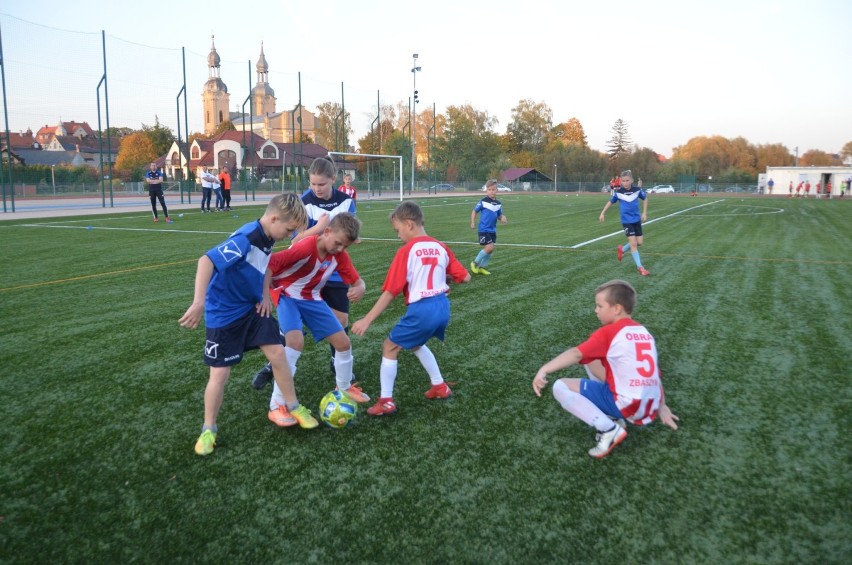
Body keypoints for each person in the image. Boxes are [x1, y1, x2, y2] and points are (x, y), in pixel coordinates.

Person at [178, 193, 317, 456]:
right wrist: (198, 303)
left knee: (278, 352)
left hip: (252, 310)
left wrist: (264, 295)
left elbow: (265, 268)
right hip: (224, 315)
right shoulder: (247, 238)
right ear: (274, 217)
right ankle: (209, 429)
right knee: (220, 375)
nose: (289, 236)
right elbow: (206, 261)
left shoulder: (267, 237)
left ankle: (294, 405)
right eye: (288, 230)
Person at [532, 279, 679, 458]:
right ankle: (614, 418)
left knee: (560, 386)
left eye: (599, 306)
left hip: (627, 405)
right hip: (650, 405)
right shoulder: (644, 332)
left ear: (616, 308)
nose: (596, 310)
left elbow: (576, 353)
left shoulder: (609, 332)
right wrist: (662, 406)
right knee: (591, 359)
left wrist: (544, 369)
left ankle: (609, 429)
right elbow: (654, 375)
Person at [351, 201, 471, 416]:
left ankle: (386, 401)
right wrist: (443, 279)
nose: (398, 236)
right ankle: (440, 386)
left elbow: (389, 292)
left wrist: (366, 320)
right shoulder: (441, 246)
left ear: (408, 224)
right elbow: (466, 277)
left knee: (389, 347)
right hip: (442, 307)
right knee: (415, 343)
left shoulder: (406, 251)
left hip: (422, 309)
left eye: (397, 230)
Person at [252, 157, 357, 388]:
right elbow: (297, 240)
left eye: (321, 184)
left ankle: (336, 360)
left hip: (332, 271)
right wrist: (317, 229)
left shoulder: (347, 202)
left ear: (333, 179)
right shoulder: (304, 202)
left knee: (340, 319)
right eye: (313, 184)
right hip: (302, 272)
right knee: (292, 328)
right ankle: (274, 366)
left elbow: (347, 234)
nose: (317, 189)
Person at [264, 213, 369, 426]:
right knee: (294, 343)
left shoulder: (339, 255)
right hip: (287, 295)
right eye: (338, 243)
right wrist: (264, 296)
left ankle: (344, 387)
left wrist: (360, 288)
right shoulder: (304, 248)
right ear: (327, 231)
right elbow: (269, 265)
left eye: (345, 247)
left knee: (343, 343)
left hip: (311, 298)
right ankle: (277, 405)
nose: (340, 249)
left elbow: (357, 281)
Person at [599, 169, 649, 276]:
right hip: (626, 222)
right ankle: (640, 267)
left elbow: (645, 198)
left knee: (639, 242)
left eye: (627, 180)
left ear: (632, 180)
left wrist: (644, 213)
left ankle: (622, 249)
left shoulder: (637, 190)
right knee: (634, 244)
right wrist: (602, 213)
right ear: (621, 181)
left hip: (637, 220)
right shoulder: (619, 193)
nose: (625, 183)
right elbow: (610, 202)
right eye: (623, 181)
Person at [470, 179, 508, 275]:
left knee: (491, 250)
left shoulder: (498, 204)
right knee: (489, 248)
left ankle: (482, 267)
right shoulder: (483, 201)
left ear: (496, 190)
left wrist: (503, 218)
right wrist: (473, 222)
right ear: (487, 190)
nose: (491, 191)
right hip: (483, 229)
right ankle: (474, 263)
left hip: (492, 230)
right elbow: (475, 211)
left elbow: (499, 215)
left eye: (493, 189)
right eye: (489, 189)